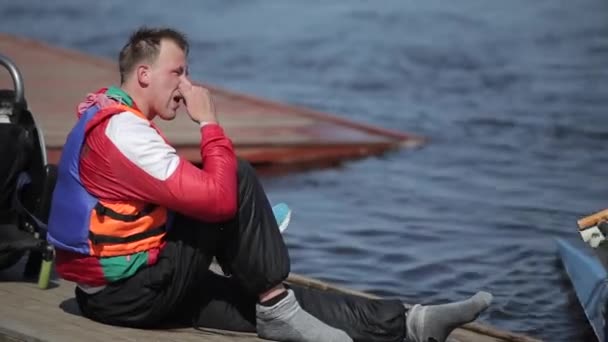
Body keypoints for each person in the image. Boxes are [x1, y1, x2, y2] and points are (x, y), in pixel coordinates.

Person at [46, 26, 493, 342]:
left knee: (271, 305)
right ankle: (269, 282)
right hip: (129, 296)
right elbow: (219, 200)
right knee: (234, 180)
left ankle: (413, 323)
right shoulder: (125, 133)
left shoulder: (110, 115)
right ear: (144, 75)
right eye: (176, 72)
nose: (186, 84)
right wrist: (210, 122)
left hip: (127, 288)